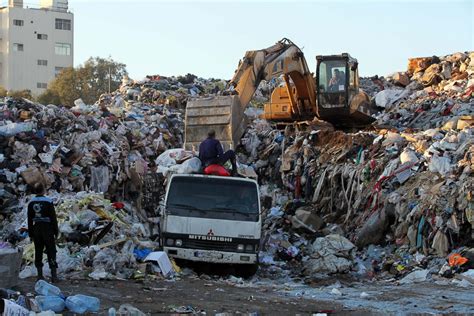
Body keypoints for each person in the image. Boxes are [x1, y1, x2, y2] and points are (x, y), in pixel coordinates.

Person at [27, 183, 59, 283]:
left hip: (37, 228)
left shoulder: (31, 203)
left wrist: (31, 234)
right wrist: (56, 231)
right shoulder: (48, 201)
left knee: (38, 251)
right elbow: (53, 218)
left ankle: (40, 275)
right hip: (47, 228)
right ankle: (54, 276)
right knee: (51, 251)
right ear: (43, 190)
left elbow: (29, 219)